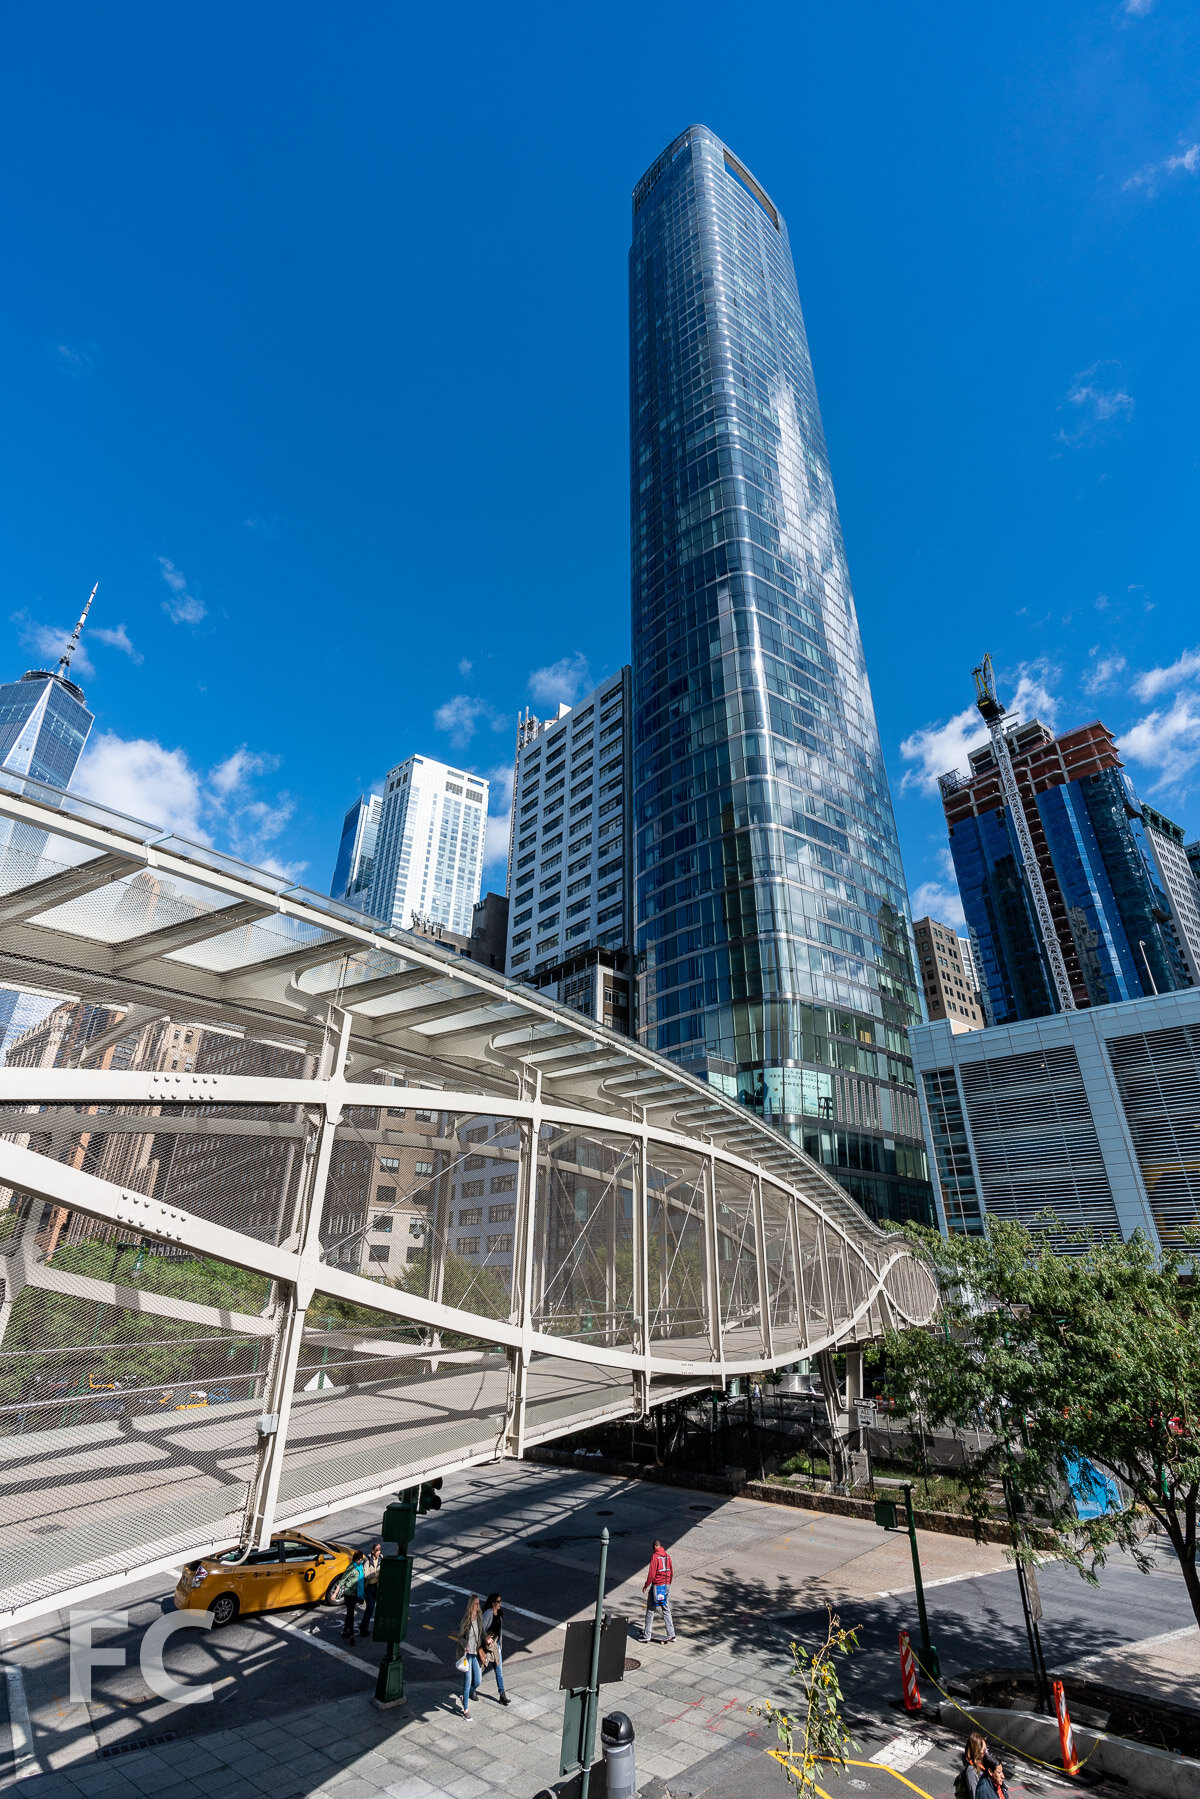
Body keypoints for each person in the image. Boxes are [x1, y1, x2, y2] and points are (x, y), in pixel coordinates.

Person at [641, 1538, 675, 1645]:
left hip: (657, 1586)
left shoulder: (655, 1557)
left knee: (650, 1610)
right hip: (666, 1585)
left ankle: (647, 1635)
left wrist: (646, 1585)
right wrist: (668, 1585)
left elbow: (652, 1574)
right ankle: (672, 1634)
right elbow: (671, 1572)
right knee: (666, 1609)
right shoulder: (667, 1557)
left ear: (655, 1547)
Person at [480, 1591, 511, 1705]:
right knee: (480, 1669)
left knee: (499, 1671)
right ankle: (471, 1690)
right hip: (487, 1647)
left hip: (496, 1646)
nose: (500, 1603)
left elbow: (500, 1632)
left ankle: (502, 1695)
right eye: (498, 1601)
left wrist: (500, 1647)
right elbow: (481, 1629)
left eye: (500, 1601)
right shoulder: (488, 1613)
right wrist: (485, 1638)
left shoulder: (500, 1613)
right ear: (493, 1603)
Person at [456, 1595, 484, 1718]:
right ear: (471, 1605)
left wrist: (486, 1637)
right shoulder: (466, 1620)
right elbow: (460, 1636)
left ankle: (464, 1696)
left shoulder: (479, 1617)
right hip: (467, 1654)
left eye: (479, 1603)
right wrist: (465, 1644)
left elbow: (482, 1631)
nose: (478, 1605)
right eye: (476, 1603)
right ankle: (465, 1710)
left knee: (478, 1681)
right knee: (467, 1682)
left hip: (475, 1654)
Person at [955, 1733, 1000, 1799]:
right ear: (977, 1752)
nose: (987, 1752)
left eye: (987, 1749)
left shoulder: (983, 1767)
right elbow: (975, 1796)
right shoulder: (972, 1771)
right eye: (984, 1750)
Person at [341, 1551, 365, 1641]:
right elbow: (343, 1580)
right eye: (359, 1559)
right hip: (349, 1593)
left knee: (349, 1613)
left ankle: (345, 1630)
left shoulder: (361, 1566)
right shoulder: (351, 1567)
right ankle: (351, 1634)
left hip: (356, 1593)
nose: (360, 1560)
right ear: (355, 1559)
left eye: (361, 1559)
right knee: (351, 1613)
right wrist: (335, 1593)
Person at [360, 1541, 382, 1638]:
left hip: (377, 1586)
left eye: (379, 1550)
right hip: (369, 1587)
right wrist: (376, 1574)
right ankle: (363, 1628)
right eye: (377, 1550)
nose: (378, 1552)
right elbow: (366, 1574)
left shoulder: (381, 1558)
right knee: (370, 1607)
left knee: (379, 1607)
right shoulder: (368, 1560)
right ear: (373, 1551)